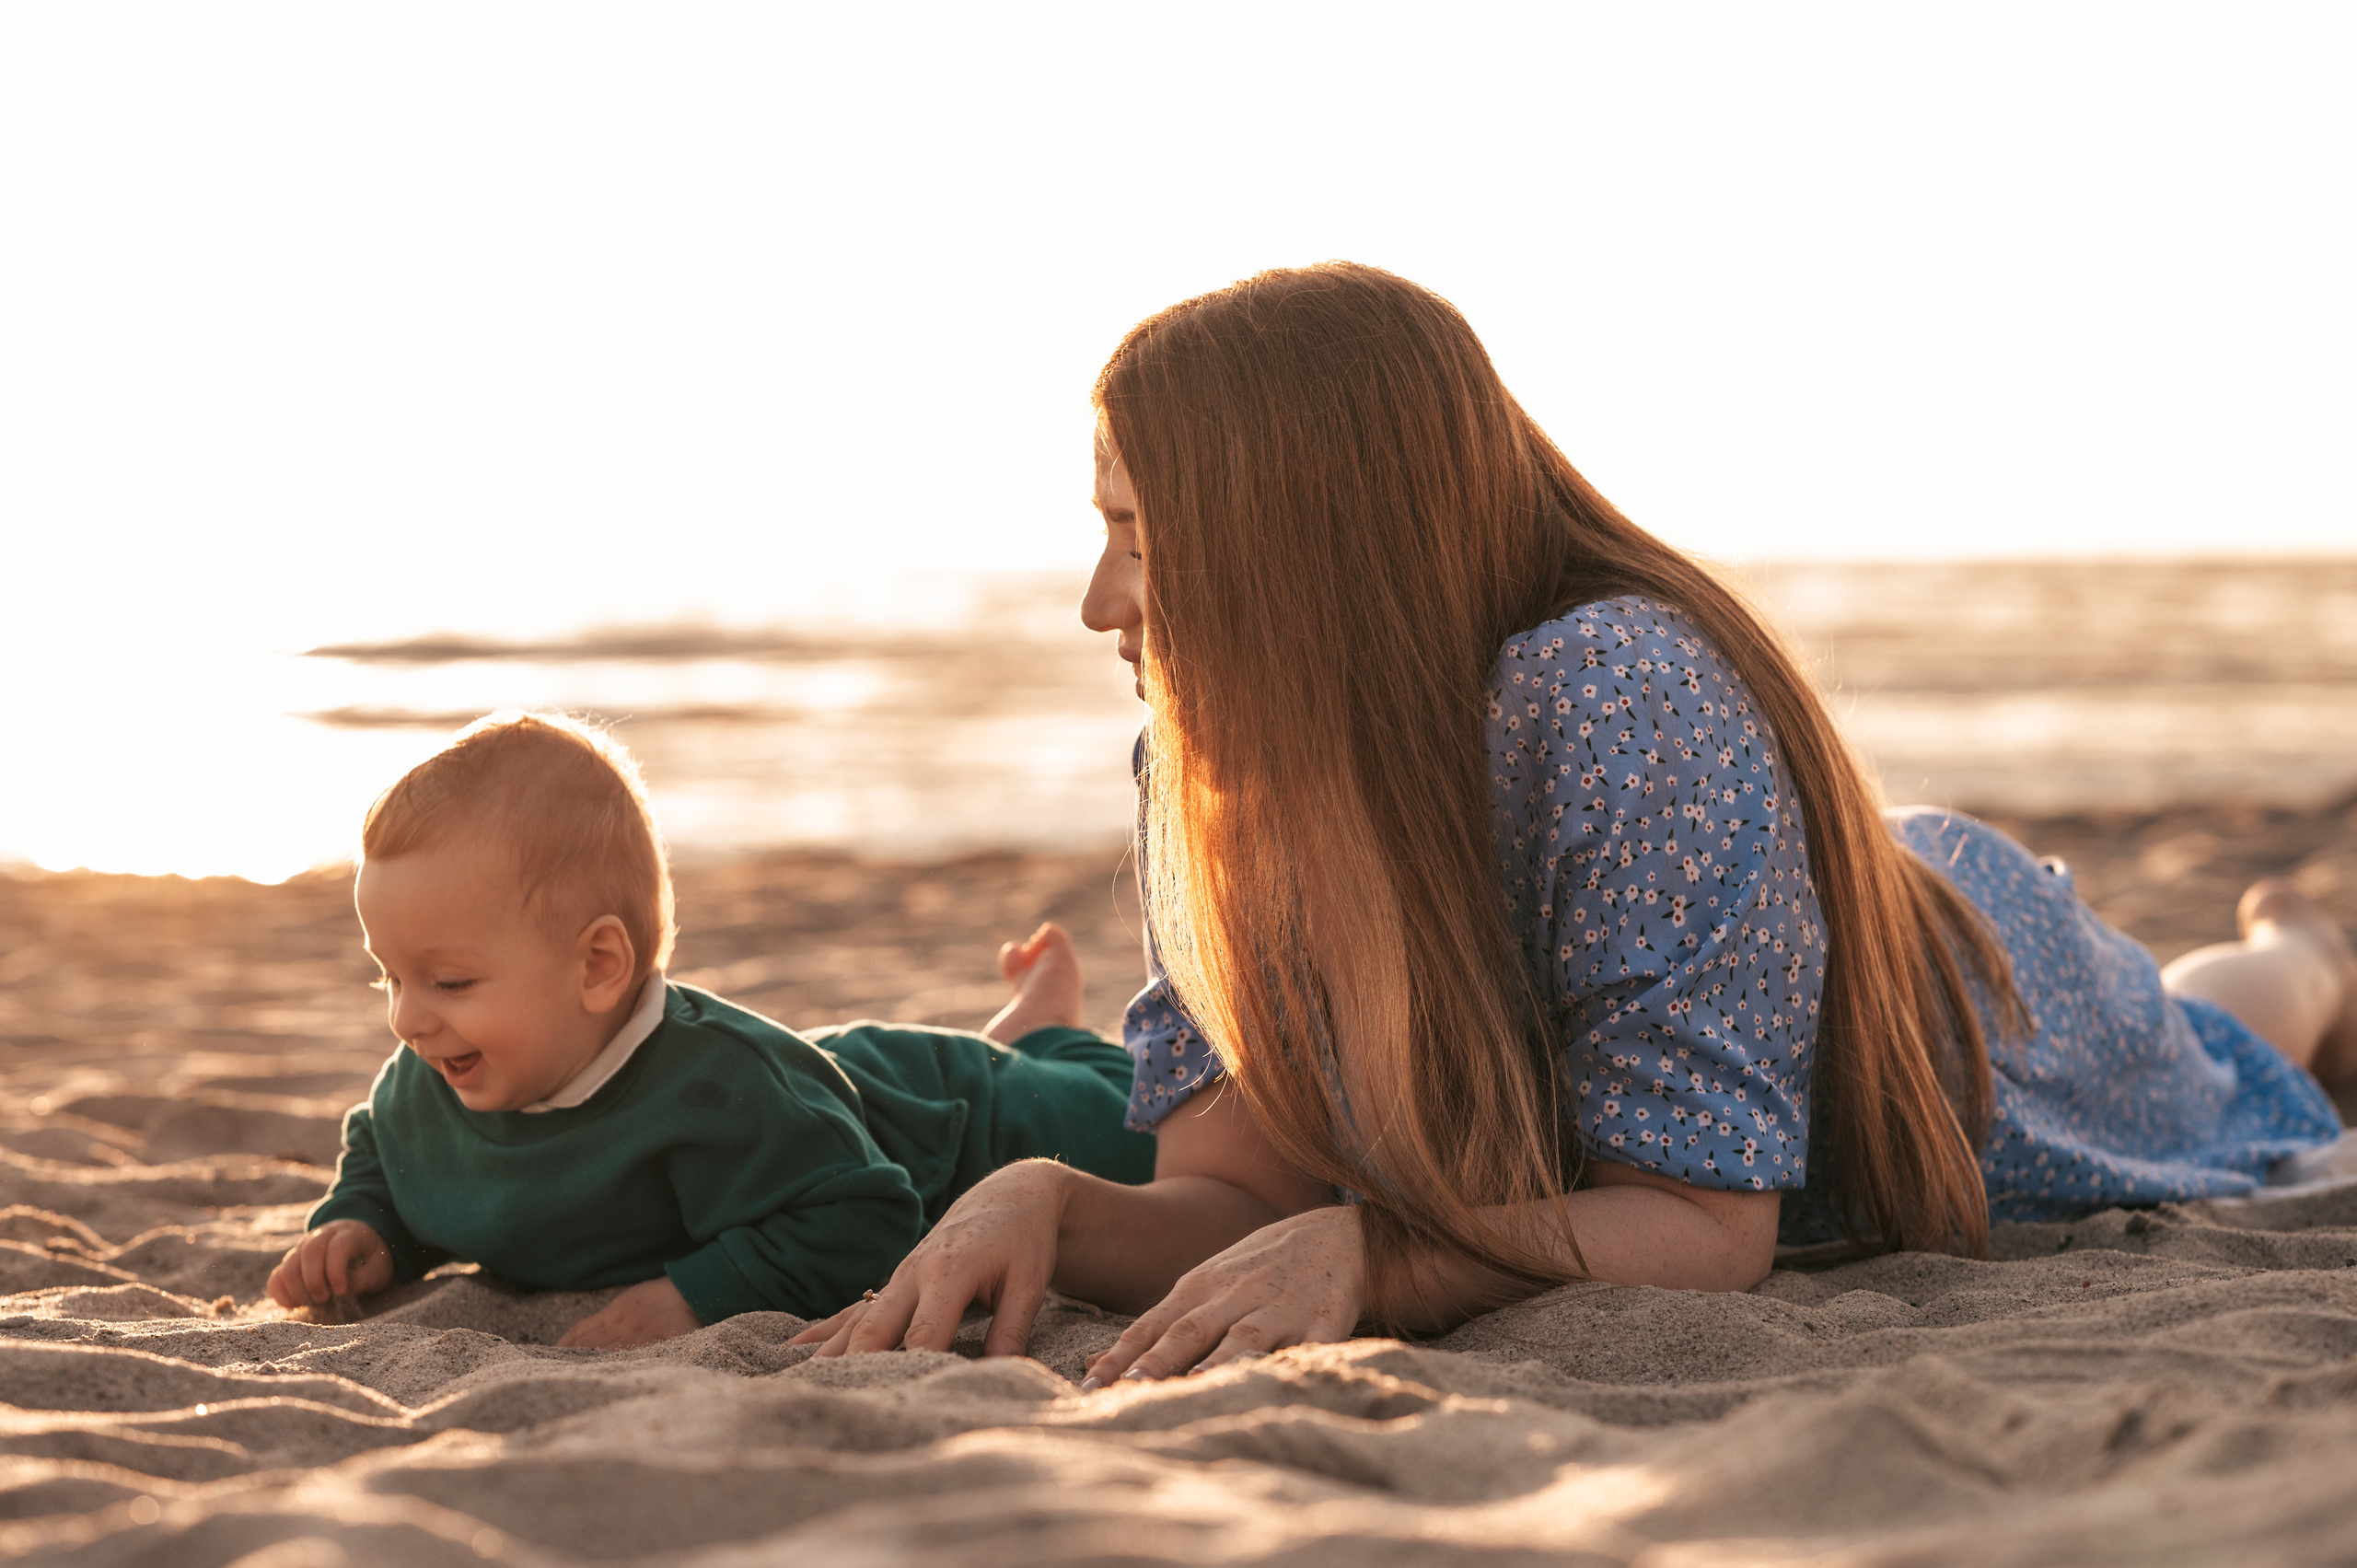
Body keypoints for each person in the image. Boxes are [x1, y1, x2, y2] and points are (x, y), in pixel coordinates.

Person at [791, 261, 2357, 1383]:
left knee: (2225, 1046)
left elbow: (1706, 1224)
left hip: (1973, 999)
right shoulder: (1211, 766)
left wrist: (1385, 1253)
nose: (1097, 602)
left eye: (1139, 537)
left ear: (1293, 537)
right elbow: (1250, 1198)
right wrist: (1051, 1204)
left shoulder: (1616, 692)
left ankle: (2309, 940)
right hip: (1793, 897)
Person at [265, 712, 1153, 1348]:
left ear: (597, 966)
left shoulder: (721, 1089)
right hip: (820, 1084)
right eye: (390, 975)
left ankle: (1046, 1042)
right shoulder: (431, 1074)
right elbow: (385, 1149)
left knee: (1140, 1128)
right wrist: (366, 1228)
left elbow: (867, 1217)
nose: (407, 1018)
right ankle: (1034, 1028)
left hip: (966, 1120)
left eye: (450, 982)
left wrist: (695, 1297)